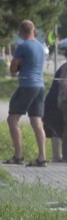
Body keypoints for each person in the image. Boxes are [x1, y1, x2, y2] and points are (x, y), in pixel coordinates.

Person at [5, 20, 47, 167]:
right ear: (34, 30)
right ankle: (42, 157)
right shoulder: (40, 47)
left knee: (12, 120)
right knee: (36, 121)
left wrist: (19, 66)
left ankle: (18, 156)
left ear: (21, 32)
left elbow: (12, 68)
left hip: (27, 85)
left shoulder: (22, 47)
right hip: (40, 86)